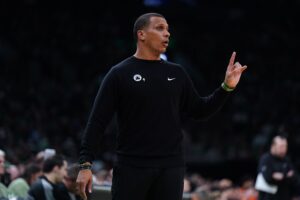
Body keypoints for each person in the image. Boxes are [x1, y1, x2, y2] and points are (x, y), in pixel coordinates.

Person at [76, 12, 247, 200]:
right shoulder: (119, 74)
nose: (167, 33)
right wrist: (85, 164)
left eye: (167, 29)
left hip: (171, 168)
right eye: (160, 28)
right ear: (141, 34)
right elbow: (97, 121)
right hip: (132, 166)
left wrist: (226, 87)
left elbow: (200, 110)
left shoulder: (177, 73)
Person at [256, 135, 299, 200]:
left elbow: (295, 177)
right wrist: (285, 176)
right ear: (273, 146)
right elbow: (268, 178)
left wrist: (281, 176)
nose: (284, 149)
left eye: (285, 146)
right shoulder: (265, 159)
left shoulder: (286, 160)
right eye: (281, 146)